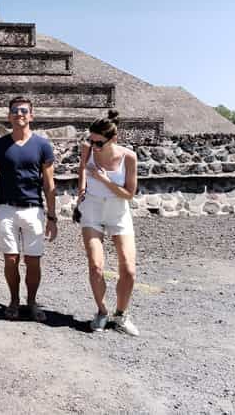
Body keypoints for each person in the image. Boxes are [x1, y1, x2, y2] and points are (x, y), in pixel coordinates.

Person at [0, 97, 57, 321]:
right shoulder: (0, 145)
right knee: (10, 259)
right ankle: (13, 300)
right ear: (9, 116)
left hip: (33, 208)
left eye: (24, 111)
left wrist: (52, 217)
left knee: (33, 260)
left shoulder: (42, 145)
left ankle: (31, 302)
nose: (19, 114)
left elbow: (49, 184)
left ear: (31, 115)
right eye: (15, 111)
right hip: (5, 208)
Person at [76, 110, 139, 336]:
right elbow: (82, 168)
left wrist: (104, 179)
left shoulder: (128, 157)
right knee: (95, 265)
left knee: (129, 269)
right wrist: (81, 191)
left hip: (118, 210)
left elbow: (129, 194)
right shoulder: (88, 150)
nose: (93, 146)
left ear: (113, 139)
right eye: (90, 140)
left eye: (99, 142)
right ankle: (102, 312)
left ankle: (121, 315)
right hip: (92, 208)